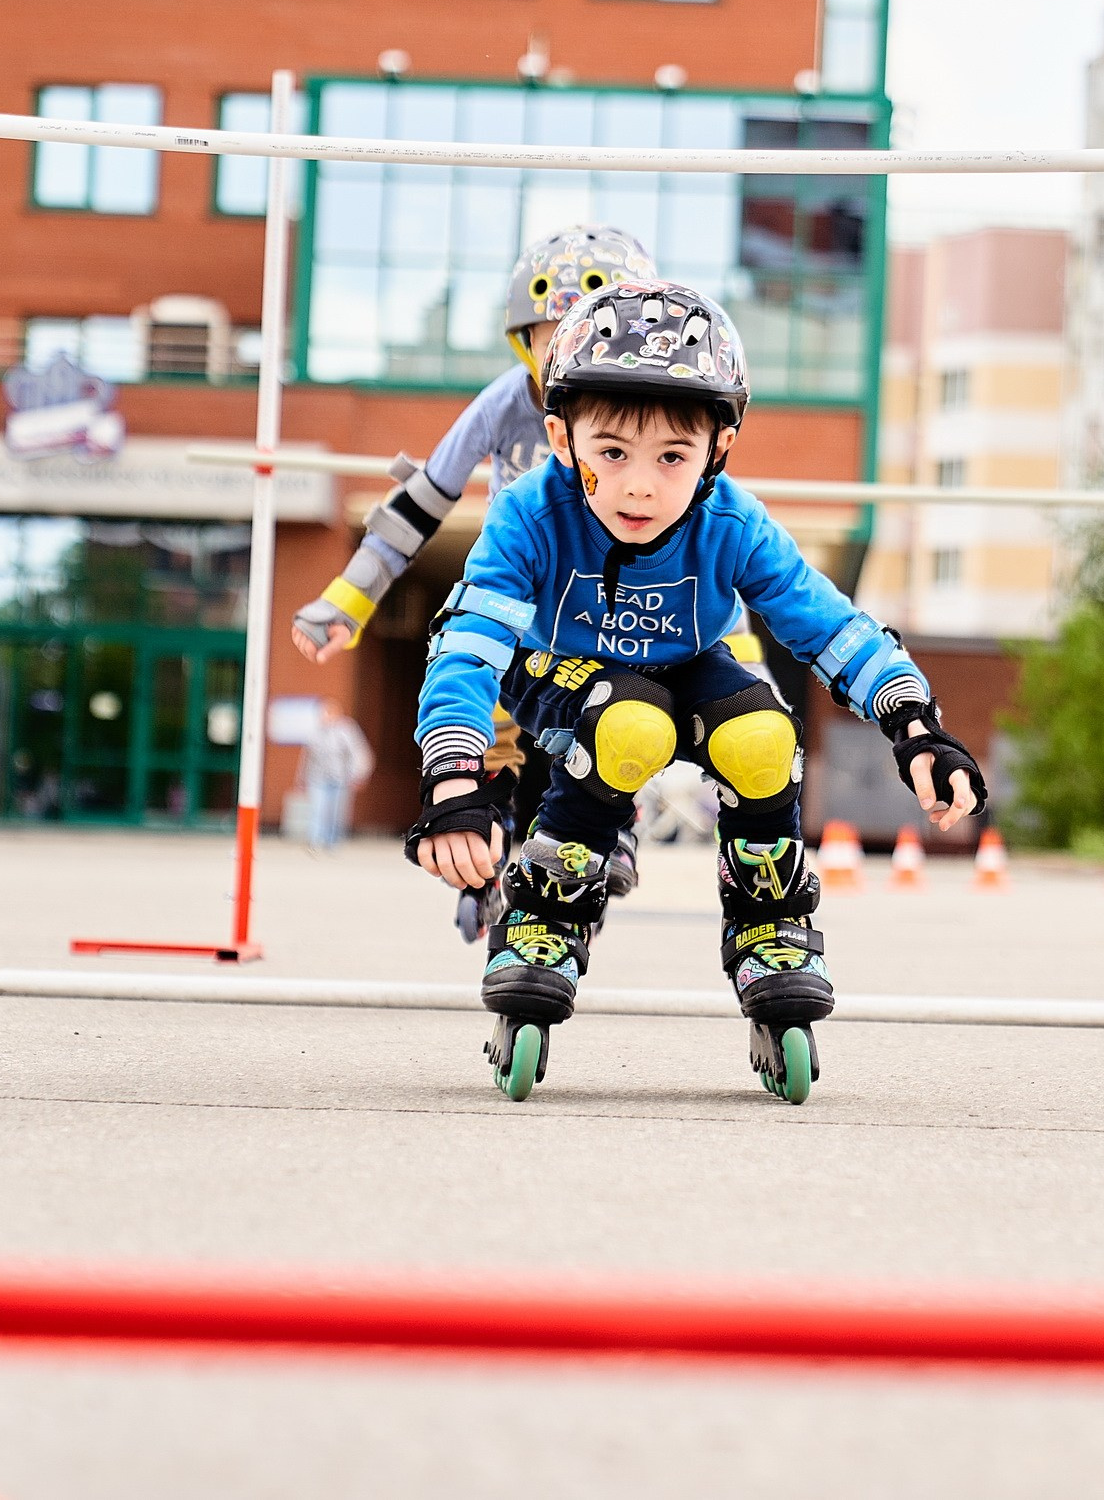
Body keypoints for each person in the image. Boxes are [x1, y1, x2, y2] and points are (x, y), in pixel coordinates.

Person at [405, 278, 987, 1105]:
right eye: (613, 453)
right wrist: (454, 779)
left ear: (720, 448)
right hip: (554, 669)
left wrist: (917, 726)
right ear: (561, 439)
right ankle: (546, 907)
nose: (641, 486)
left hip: (685, 663)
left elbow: (829, 624)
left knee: (764, 735)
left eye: (672, 457)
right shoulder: (528, 515)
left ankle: (768, 924)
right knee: (628, 722)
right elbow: (467, 646)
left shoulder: (732, 520)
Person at [288, 226, 656, 927]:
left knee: (614, 717)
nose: (569, 360)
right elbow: (422, 500)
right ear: (526, 340)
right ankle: (485, 848)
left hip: (604, 606)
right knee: (487, 724)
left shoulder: (654, 413)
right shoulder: (506, 401)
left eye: (591, 338)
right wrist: (347, 597)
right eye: (554, 340)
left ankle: (613, 825)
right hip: (513, 596)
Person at [296, 696, 374, 852]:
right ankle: (316, 840)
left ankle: (332, 842)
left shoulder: (347, 730)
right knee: (318, 809)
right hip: (318, 777)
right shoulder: (316, 731)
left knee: (337, 811)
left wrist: (359, 774)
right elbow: (307, 756)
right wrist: (301, 778)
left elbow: (359, 753)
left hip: (341, 778)